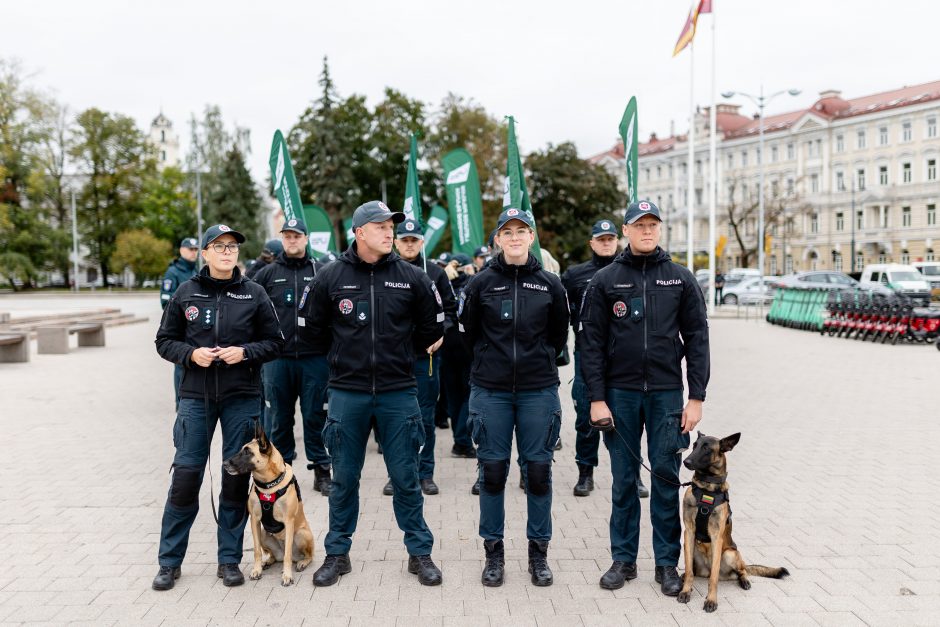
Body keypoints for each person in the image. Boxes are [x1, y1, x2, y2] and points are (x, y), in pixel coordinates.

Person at [299, 200, 445, 588]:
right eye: (380, 226)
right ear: (359, 232)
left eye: (391, 226)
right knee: (345, 478)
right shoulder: (330, 277)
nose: (389, 232)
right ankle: (337, 554)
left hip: (399, 392)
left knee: (406, 478)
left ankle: (419, 553)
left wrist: (399, 355)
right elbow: (311, 331)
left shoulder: (412, 277)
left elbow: (432, 330)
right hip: (348, 393)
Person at [579, 200, 710, 595]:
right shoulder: (605, 280)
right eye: (640, 225)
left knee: (667, 480)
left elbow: (698, 340)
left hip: (667, 395)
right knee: (623, 481)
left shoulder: (680, 279)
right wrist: (597, 398)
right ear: (626, 230)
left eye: (653, 224)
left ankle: (667, 564)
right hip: (620, 395)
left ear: (659, 230)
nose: (647, 231)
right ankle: (623, 560)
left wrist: (697, 397)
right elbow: (591, 345)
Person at [152, 224, 284, 591]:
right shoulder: (186, 292)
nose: (227, 251)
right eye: (219, 246)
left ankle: (229, 560)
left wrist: (245, 353)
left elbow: (275, 342)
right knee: (185, 478)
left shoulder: (255, 294)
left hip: (241, 397)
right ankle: (169, 561)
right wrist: (190, 354)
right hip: (195, 397)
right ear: (205, 254)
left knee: (234, 478)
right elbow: (164, 341)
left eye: (232, 246)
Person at [458, 207, 569, 588]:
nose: (516, 237)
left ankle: (538, 554)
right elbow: (468, 335)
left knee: (538, 474)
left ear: (531, 237)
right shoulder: (480, 284)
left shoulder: (551, 284)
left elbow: (558, 336)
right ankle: (494, 554)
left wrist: (535, 362)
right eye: (508, 232)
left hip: (539, 389)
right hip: (491, 391)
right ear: (499, 240)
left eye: (522, 231)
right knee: (492, 473)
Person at [562, 220, 646, 498]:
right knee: (586, 417)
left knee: (630, 420)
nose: (606, 243)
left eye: (611, 238)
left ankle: (633, 476)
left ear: (618, 240)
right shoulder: (575, 275)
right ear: (592, 243)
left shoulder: (633, 270)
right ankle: (585, 473)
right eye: (601, 239)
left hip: (623, 357)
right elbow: (561, 313)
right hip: (587, 354)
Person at [251, 217, 333, 495]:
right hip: (277, 360)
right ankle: (281, 475)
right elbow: (249, 312)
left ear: (306, 239)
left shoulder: (322, 272)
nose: (292, 240)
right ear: (282, 239)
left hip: (315, 359)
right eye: (287, 236)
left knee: (315, 417)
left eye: (297, 235)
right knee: (279, 419)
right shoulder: (267, 274)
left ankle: (322, 472)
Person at [379, 218, 457, 497]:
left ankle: (425, 473)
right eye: (404, 239)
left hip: (426, 358)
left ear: (421, 242)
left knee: (424, 418)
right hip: (392, 360)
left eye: (414, 240)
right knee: (393, 420)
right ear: (396, 242)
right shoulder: (382, 270)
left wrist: (440, 335)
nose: (409, 244)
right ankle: (396, 474)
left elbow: (450, 311)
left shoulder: (435, 273)